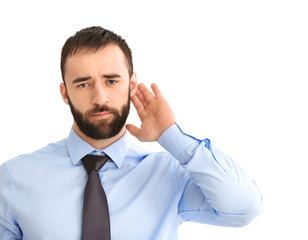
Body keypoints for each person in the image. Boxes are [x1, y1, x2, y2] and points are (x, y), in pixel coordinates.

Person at [0, 26, 262, 240]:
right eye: (83, 84)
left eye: (111, 80)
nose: (99, 97)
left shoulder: (167, 174)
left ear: (132, 85)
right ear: (64, 93)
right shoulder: (14, 178)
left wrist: (172, 135)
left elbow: (243, 208)